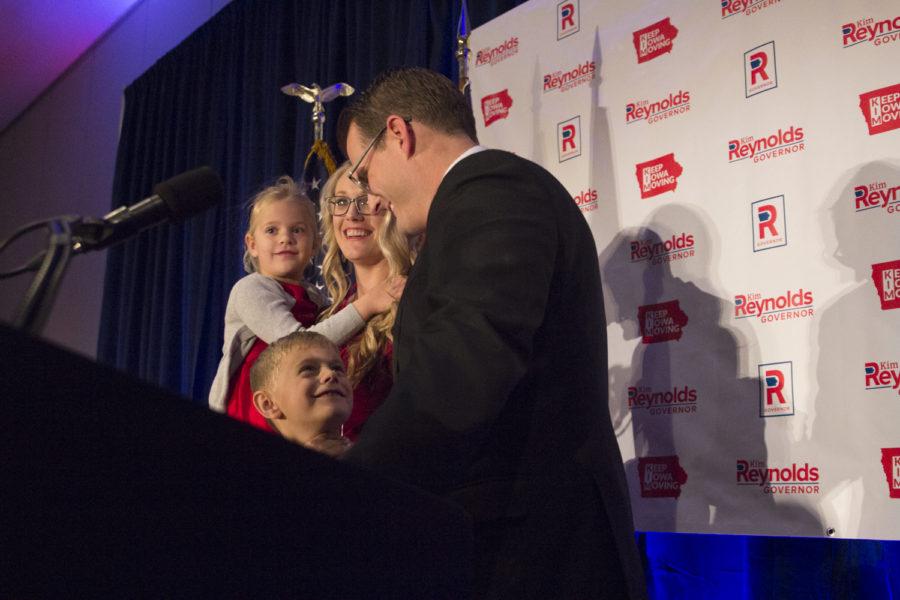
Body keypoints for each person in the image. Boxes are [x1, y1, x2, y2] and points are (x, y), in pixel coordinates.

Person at [339, 68, 647, 598]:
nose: (373, 198)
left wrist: (352, 486)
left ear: (399, 134)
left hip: (540, 553)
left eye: (366, 176)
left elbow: (464, 363)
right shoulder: (474, 202)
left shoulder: (491, 189)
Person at [208, 176, 402, 432]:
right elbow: (300, 346)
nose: (285, 238)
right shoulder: (251, 289)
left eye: (297, 230)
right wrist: (368, 304)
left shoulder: (319, 303)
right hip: (255, 415)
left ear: (314, 245)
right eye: (271, 230)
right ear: (251, 244)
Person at [318, 162, 414, 441]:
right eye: (342, 202)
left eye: (365, 201)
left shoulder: (418, 302)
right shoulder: (328, 320)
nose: (352, 215)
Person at [249, 331, 353, 457]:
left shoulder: (377, 460)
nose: (331, 374)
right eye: (308, 369)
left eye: (337, 368)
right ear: (268, 404)